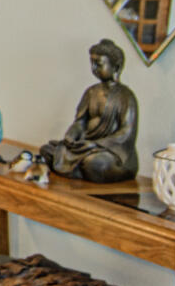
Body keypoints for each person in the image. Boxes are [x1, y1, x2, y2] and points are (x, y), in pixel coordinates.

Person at [35, 39, 139, 183]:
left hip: (111, 152)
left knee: (95, 163)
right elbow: (81, 122)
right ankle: (79, 167)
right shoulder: (91, 92)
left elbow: (126, 133)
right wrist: (72, 134)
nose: (94, 68)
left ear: (116, 66)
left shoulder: (126, 96)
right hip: (85, 145)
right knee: (47, 150)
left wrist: (97, 144)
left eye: (99, 64)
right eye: (92, 64)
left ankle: (81, 167)